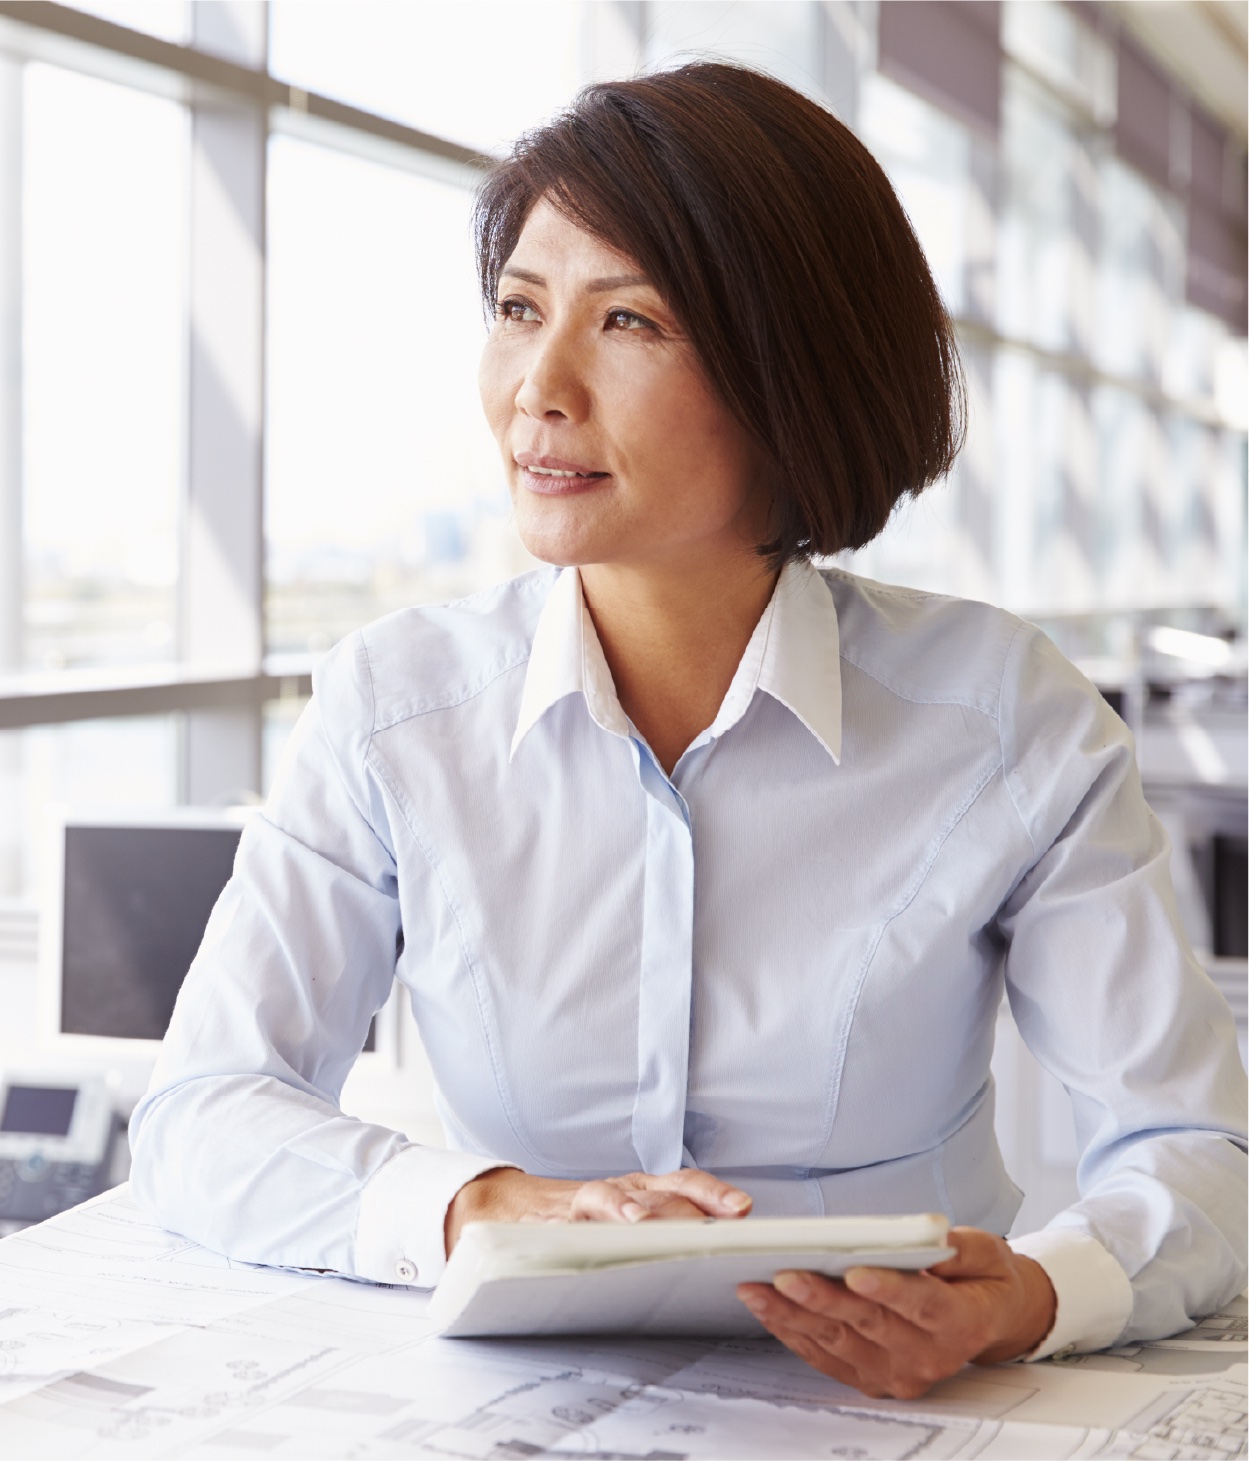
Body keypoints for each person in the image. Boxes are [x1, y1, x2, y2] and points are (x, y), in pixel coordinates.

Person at [130, 62, 1247, 1402]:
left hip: (897, 1406)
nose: (537, 387)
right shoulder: (398, 706)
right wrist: (478, 1204)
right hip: (509, 1412)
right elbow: (204, 1114)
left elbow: (1193, 1147)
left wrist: (1038, 1292)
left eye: (628, 322)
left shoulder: (1004, 715)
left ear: (791, 370)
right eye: (517, 309)